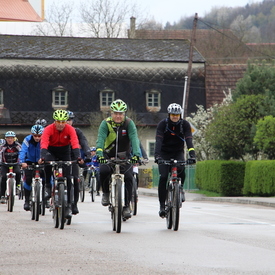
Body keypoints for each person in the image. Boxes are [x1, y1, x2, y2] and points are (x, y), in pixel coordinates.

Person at [96, 99, 140, 219]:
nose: (118, 116)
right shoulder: (105, 123)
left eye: (121, 113)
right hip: (107, 154)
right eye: (115, 113)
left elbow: (135, 139)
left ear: (124, 114)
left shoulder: (129, 123)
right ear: (111, 113)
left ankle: (126, 206)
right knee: (103, 171)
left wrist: (136, 154)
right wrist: (99, 154)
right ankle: (105, 193)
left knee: (129, 177)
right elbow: (100, 140)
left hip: (124, 155)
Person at [154, 103, 196, 218]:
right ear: (169, 114)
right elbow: (158, 141)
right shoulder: (163, 124)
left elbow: (189, 140)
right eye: (173, 114)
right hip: (164, 153)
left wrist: (192, 155)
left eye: (177, 115)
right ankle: (162, 206)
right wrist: (157, 156)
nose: (175, 117)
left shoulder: (185, 125)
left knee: (182, 168)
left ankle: (180, 188)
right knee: (163, 177)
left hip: (178, 152)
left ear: (180, 115)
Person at [38, 109, 81, 218]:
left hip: (65, 151)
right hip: (51, 151)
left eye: (63, 122)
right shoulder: (48, 129)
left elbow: (75, 143)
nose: (61, 124)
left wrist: (78, 157)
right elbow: (44, 143)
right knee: (47, 165)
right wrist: (43, 156)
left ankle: (70, 204)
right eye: (58, 122)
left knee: (68, 177)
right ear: (54, 121)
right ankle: (48, 186)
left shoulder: (70, 129)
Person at [66, 110, 91, 214]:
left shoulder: (77, 131)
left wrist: (88, 154)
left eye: (69, 120)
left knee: (76, 180)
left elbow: (84, 143)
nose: (67, 122)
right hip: (61, 158)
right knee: (62, 179)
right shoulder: (58, 131)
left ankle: (74, 203)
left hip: (73, 158)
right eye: (65, 120)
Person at [19, 125, 44, 211]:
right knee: (28, 179)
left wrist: (45, 158)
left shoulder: (45, 140)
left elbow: (48, 150)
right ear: (32, 134)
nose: (37, 138)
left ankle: (45, 198)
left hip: (42, 161)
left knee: (46, 178)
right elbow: (23, 150)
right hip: (29, 161)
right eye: (35, 136)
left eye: (39, 136)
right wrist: (22, 162)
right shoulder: (27, 139)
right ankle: (26, 200)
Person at [0, 131, 22, 204]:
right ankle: (2, 195)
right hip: (4, 164)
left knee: (18, 173)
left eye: (11, 138)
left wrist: (21, 162)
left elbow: (22, 153)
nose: (10, 140)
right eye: (8, 138)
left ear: (14, 138)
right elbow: (0, 154)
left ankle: (17, 186)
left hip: (15, 164)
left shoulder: (18, 146)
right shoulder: (3, 146)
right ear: (6, 139)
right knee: (3, 177)